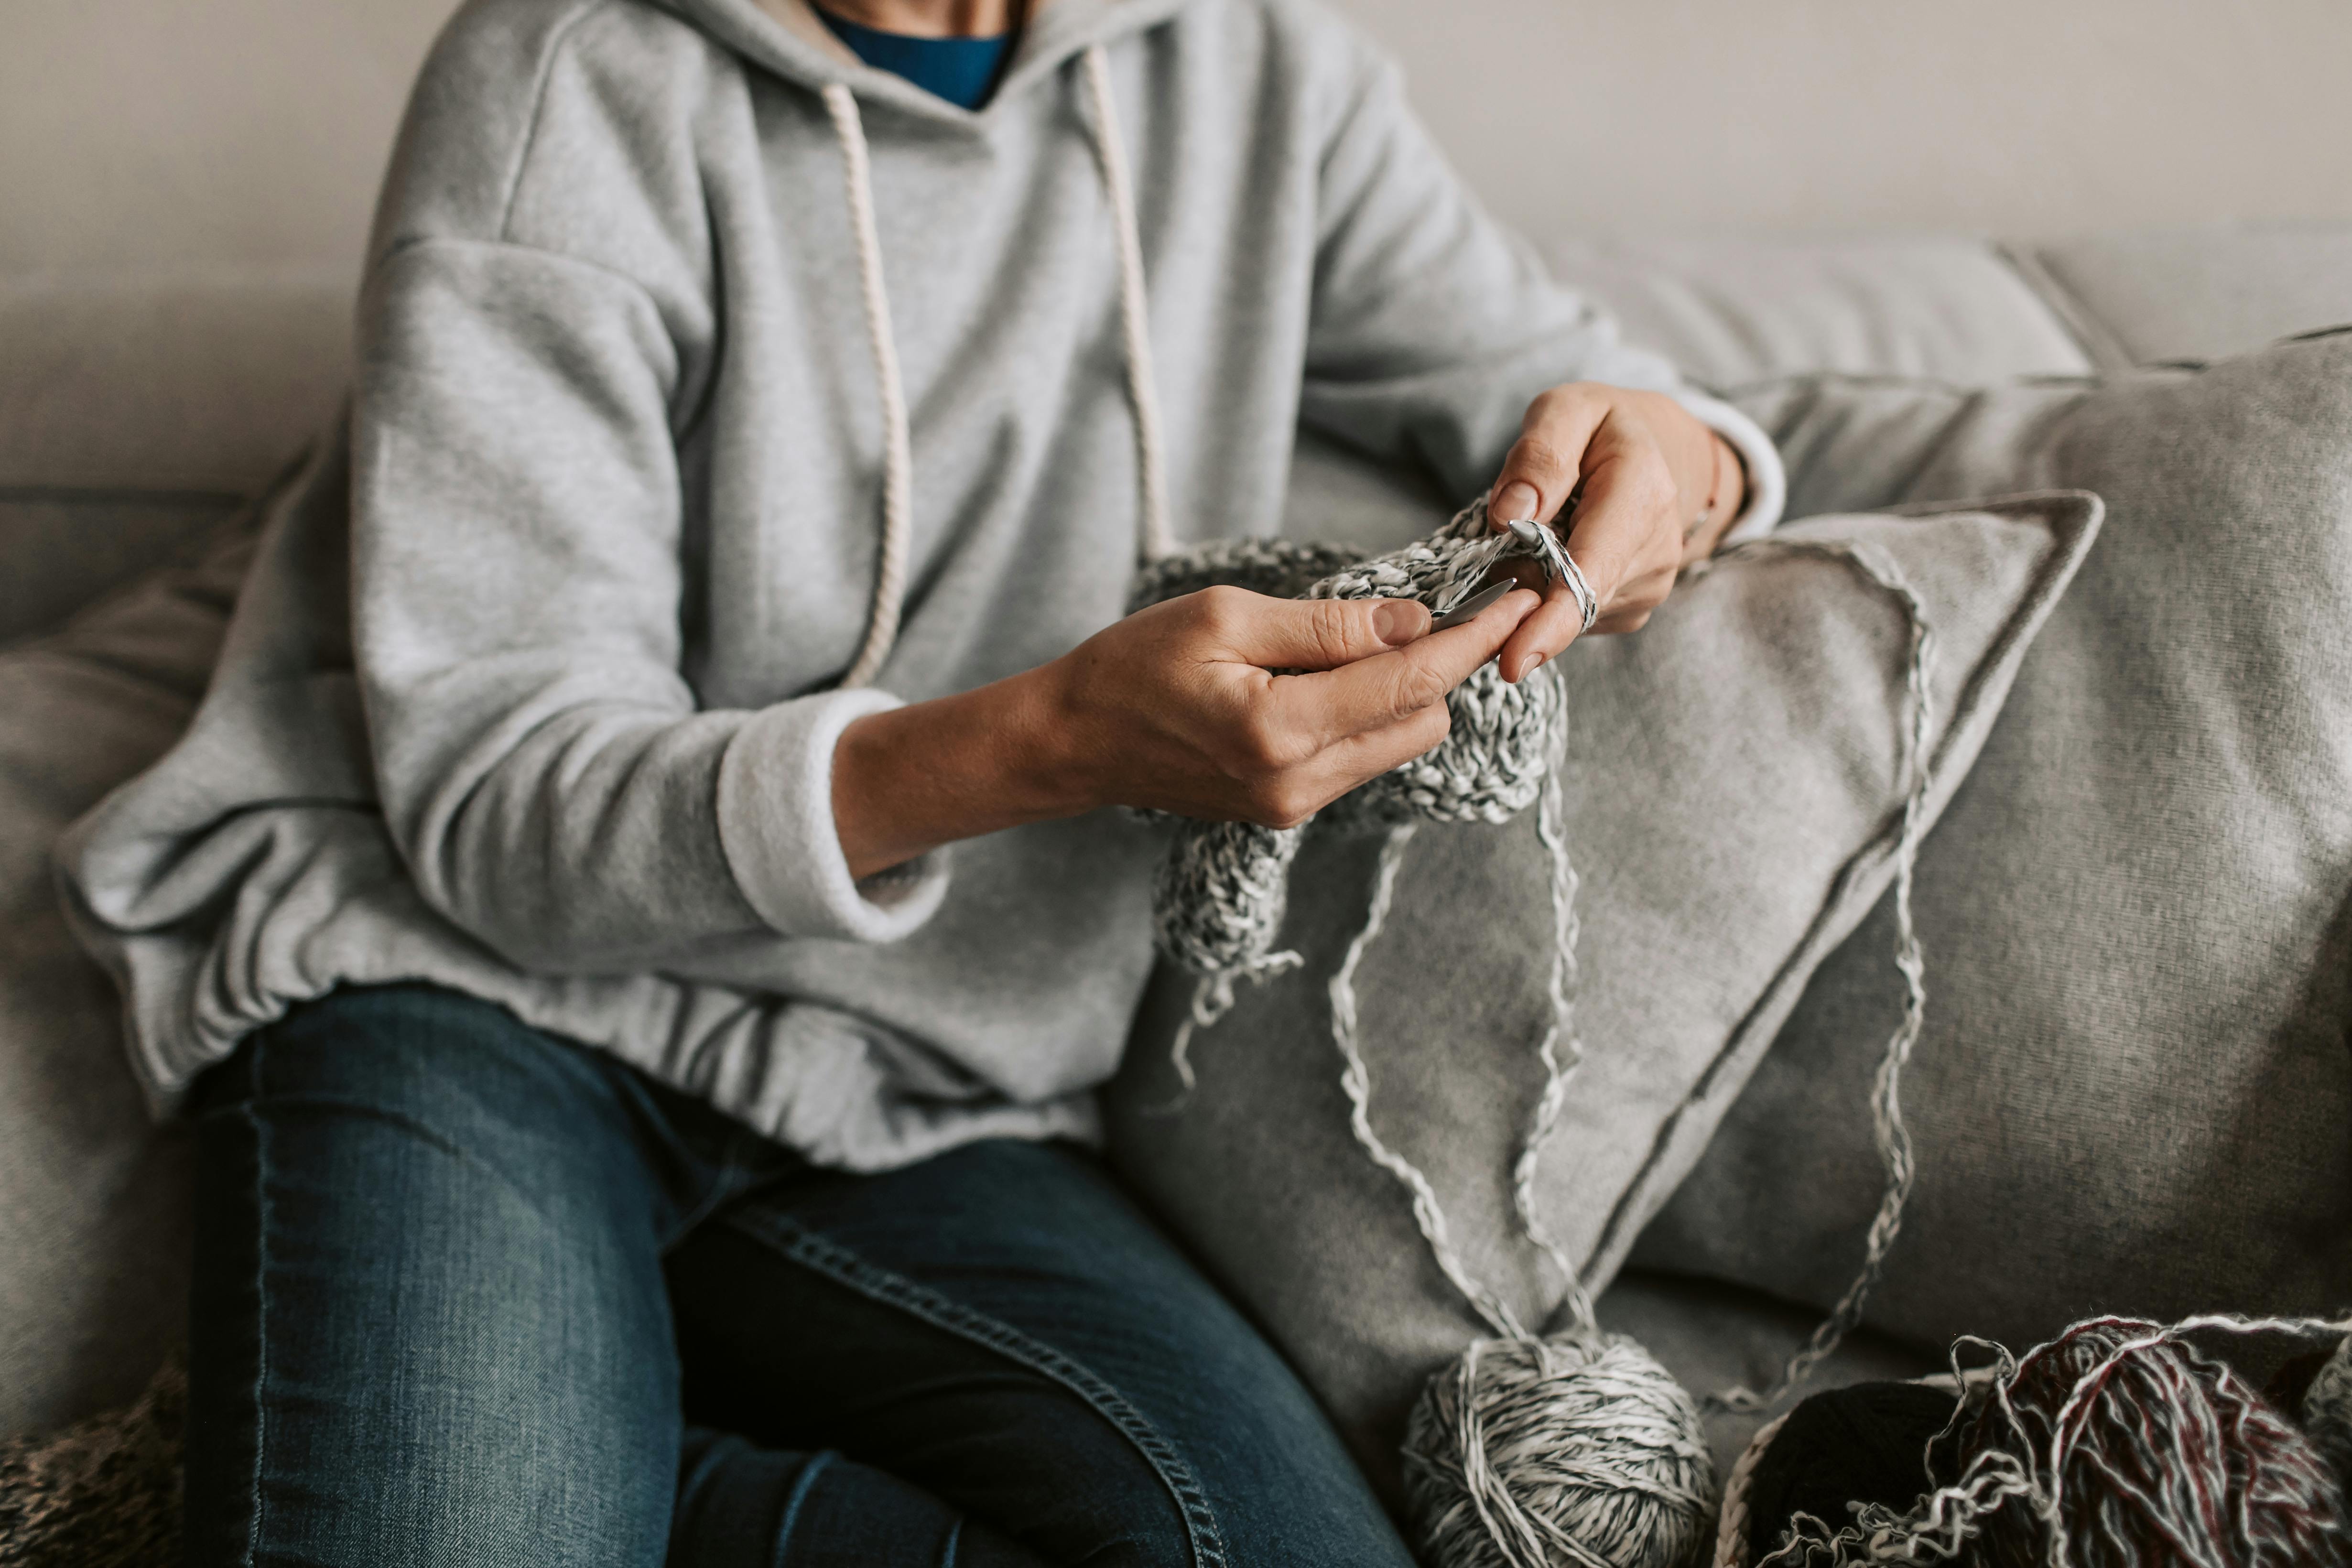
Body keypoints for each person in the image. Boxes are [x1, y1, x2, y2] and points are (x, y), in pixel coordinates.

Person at [59, 0, 1785, 1561]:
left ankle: (500, 1460)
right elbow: (500, 815)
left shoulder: (1246, 62)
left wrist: (1681, 466)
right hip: (467, 990)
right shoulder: (568, 75)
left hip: (926, 1071)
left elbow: (1602, 404)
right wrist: (1048, 742)